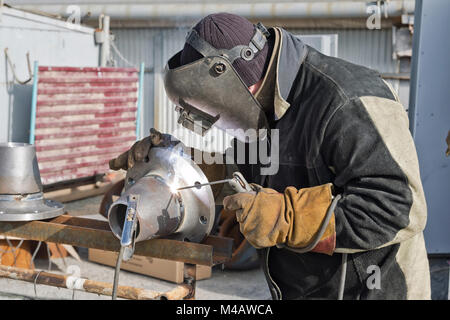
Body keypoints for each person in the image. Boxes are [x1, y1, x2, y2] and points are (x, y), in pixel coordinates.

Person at [109, 13, 430, 300]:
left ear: (228, 82)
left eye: (212, 108)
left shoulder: (347, 99)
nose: (215, 118)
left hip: (372, 290)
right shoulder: (259, 112)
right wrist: (171, 167)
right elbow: (237, 178)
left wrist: (287, 216)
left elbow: (398, 207)